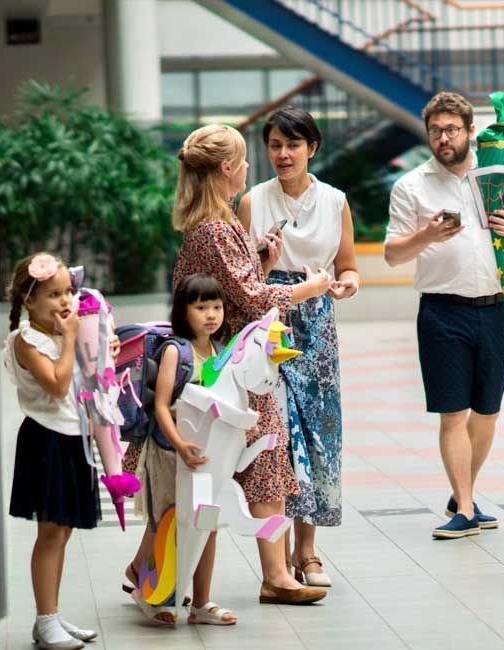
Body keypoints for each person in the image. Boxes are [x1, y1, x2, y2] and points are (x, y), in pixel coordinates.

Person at [171, 123, 330, 604]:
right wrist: (310, 287)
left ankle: (274, 573)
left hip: (223, 366)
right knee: (262, 464)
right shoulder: (218, 228)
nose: (248, 168)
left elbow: (229, 292)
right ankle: (275, 576)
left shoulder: (210, 225)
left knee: (253, 468)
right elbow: (254, 299)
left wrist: (258, 259)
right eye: (242, 161)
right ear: (226, 170)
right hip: (231, 372)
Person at [384, 92, 504, 539]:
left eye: (452, 129)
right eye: (435, 131)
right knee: (453, 413)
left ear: (471, 131)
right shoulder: (411, 186)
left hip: (494, 310)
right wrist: (425, 234)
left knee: (486, 412)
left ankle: (462, 491)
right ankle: (465, 509)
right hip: (441, 311)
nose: (443, 138)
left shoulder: (497, 180)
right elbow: (392, 254)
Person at [238, 106, 359, 587]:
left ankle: (308, 553)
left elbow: (349, 266)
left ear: (312, 147)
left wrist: (346, 285)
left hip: (318, 325)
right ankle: (277, 557)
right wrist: (266, 263)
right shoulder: (253, 202)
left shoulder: (335, 201)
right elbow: (243, 280)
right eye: (274, 145)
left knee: (318, 435)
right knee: (275, 439)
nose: (283, 154)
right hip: (269, 325)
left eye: (292, 144)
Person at [127, 274, 237, 626]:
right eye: (201, 306)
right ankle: (153, 593)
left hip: (206, 458)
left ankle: (201, 603)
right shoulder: (176, 350)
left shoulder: (221, 352)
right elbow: (161, 407)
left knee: (208, 525)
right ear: (182, 311)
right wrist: (179, 445)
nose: (211, 315)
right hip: (169, 452)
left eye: (216, 307)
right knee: (168, 523)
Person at [5, 252, 100, 650]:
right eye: (53, 295)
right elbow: (57, 386)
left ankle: (51, 617)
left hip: (71, 437)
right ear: (29, 301)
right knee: (50, 534)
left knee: (61, 532)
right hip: (45, 440)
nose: (64, 302)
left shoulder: (62, 336)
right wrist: (73, 338)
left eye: (68, 293)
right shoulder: (26, 340)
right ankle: (46, 621)